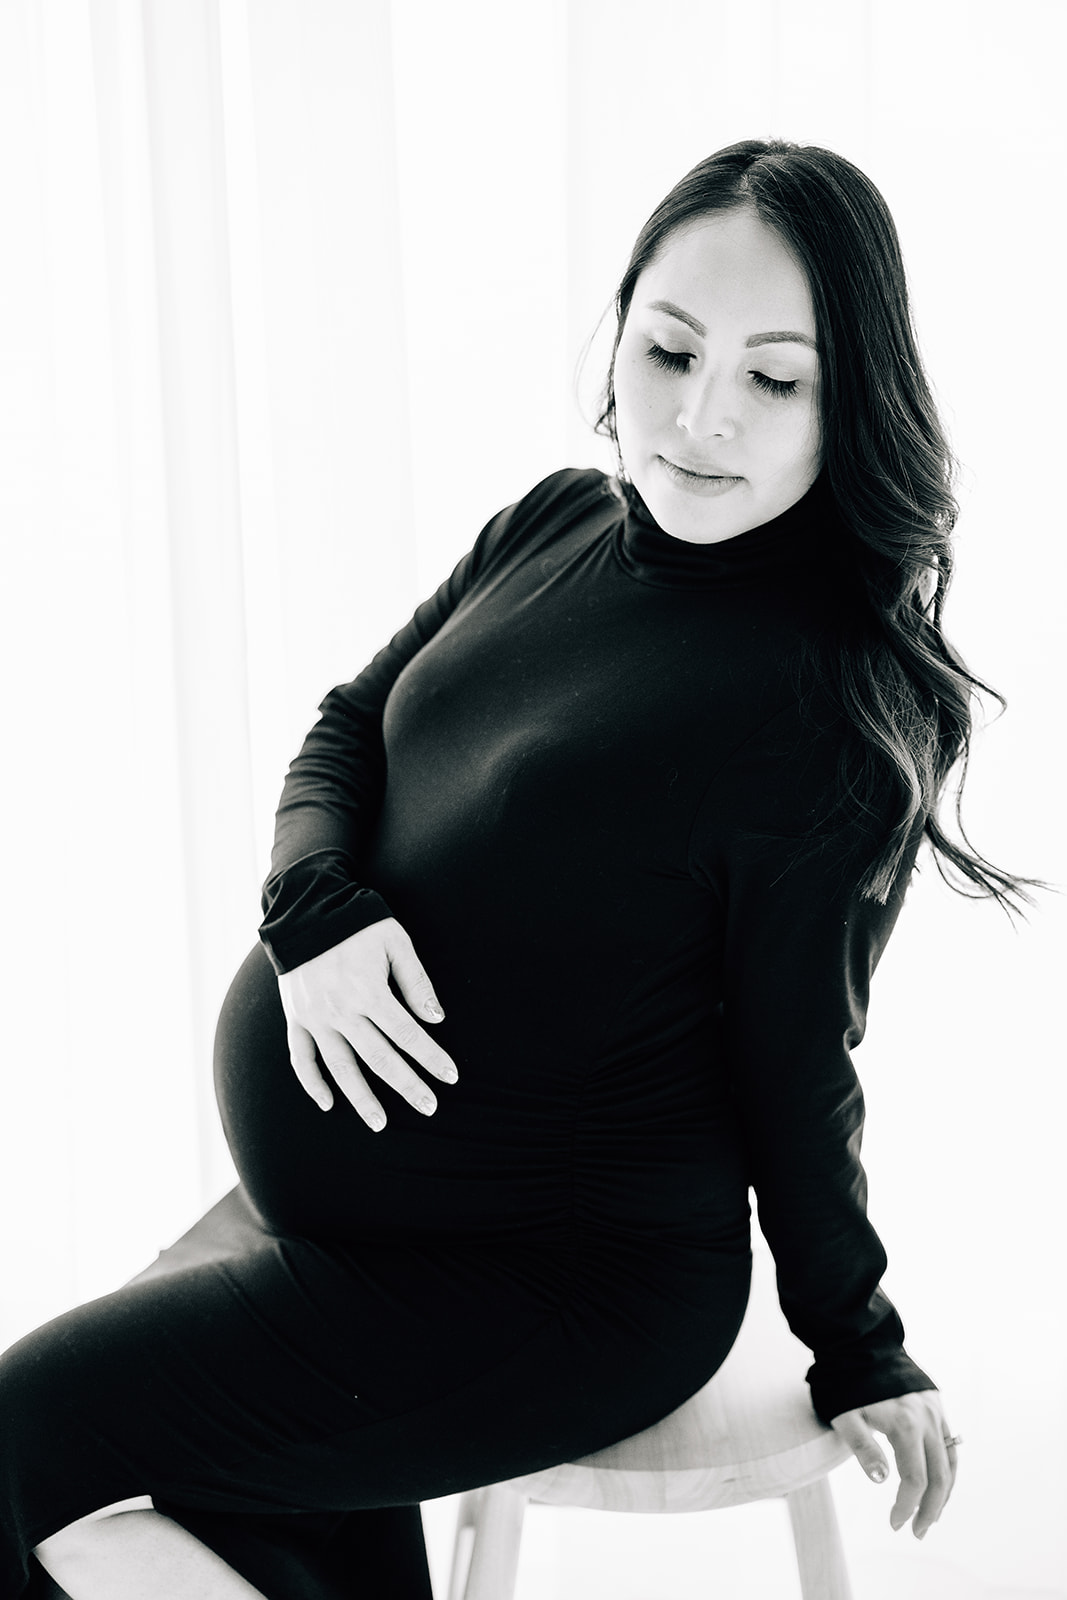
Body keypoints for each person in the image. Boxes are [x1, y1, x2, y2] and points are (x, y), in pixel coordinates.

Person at [0, 137, 1029, 1600]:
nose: (702, 416)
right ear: (618, 327)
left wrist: (861, 1344)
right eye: (670, 348)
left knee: (20, 1439)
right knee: (233, 1507)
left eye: (775, 378)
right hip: (375, 1226)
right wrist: (316, 918)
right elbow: (347, 732)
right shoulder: (555, 523)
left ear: (845, 402)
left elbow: (800, 1075)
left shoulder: (821, 715)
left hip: (557, 1289)